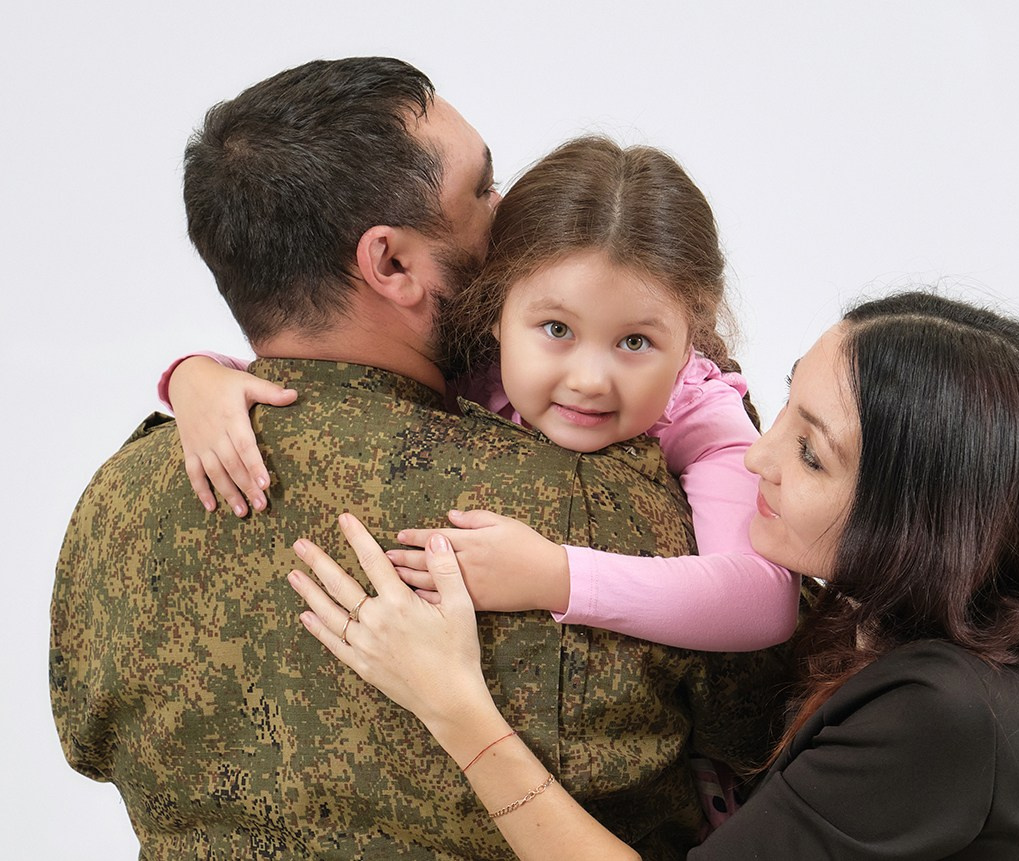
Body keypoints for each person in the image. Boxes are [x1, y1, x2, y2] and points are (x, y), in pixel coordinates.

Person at [50, 57, 793, 860]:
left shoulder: (117, 500)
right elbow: (775, 722)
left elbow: (85, 746)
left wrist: (191, 377)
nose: (508, 214)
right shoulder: (614, 502)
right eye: (483, 189)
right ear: (392, 264)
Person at [291, 291, 1019, 860]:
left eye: (810, 452)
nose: (758, 457)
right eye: (785, 407)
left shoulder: (940, 714)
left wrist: (454, 703)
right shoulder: (899, 634)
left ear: (921, 523)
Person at [162, 136, 802, 653]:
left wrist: (555, 576)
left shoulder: (700, 414)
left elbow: (761, 601)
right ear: (493, 309)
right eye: (557, 330)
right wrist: (195, 376)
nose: (589, 379)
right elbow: (325, 364)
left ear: (691, 329)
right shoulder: (475, 368)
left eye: (635, 342)